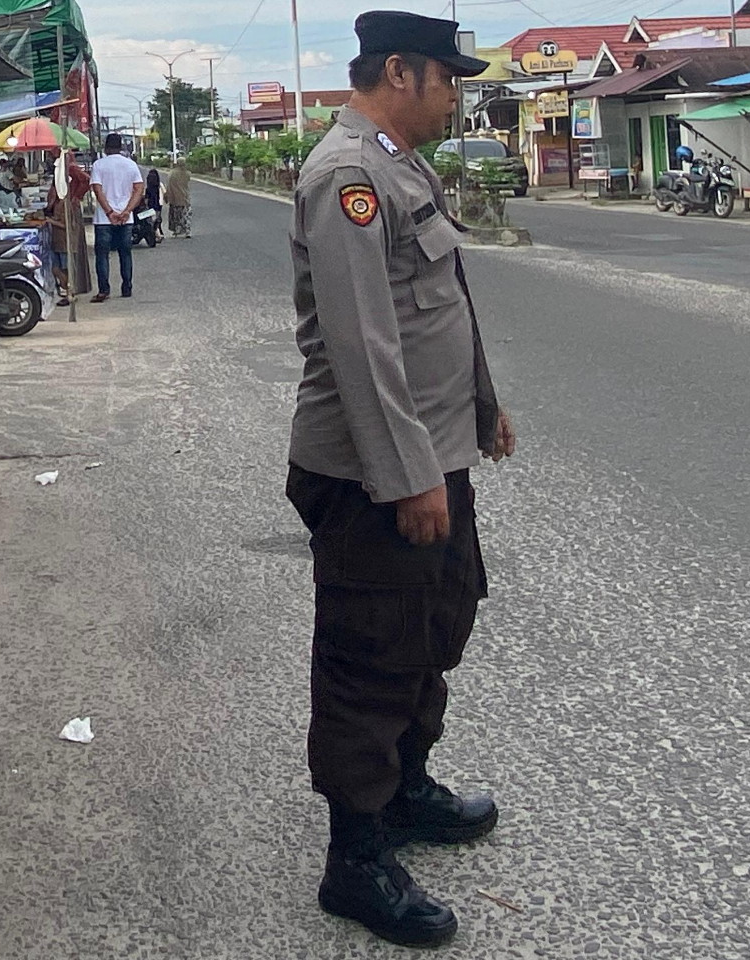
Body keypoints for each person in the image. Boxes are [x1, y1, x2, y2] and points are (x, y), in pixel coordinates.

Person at [285, 11, 517, 950]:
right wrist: (407, 476)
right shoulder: (347, 175)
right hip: (373, 471)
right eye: (448, 78)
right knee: (370, 652)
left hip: (433, 452)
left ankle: (407, 789)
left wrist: (481, 406)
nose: (458, 93)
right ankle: (356, 859)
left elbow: (442, 302)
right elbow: (362, 343)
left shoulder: (400, 163)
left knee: (439, 619)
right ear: (399, 71)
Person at [89, 133, 144, 302]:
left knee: (103, 255)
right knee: (125, 254)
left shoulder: (98, 165)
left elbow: (97, 190)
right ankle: (126, 287)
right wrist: (127, 211)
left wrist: (109, 212)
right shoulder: (131, 165)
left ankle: (104, 290)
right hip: (126, 219)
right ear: (121, 147)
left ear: (105, 148)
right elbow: (139, 189)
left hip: (104, 219)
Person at [167, 160, 192, 238]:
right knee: (186, 215)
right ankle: (187, 231)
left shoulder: (172, 173)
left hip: (175, 198)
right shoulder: (187, 173)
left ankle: (177, 230)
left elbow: (169, 186)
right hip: (185, 197)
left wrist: (168, 196)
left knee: (176, 215)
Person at [145, 168, 165, 242]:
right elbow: (164, 192)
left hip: (150, 207)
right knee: (156, 220)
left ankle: (158, 235)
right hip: (158, 205)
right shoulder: (158, 186)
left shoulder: (148, 189)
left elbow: (146, 199)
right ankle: (158, 234)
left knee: (151, 221)